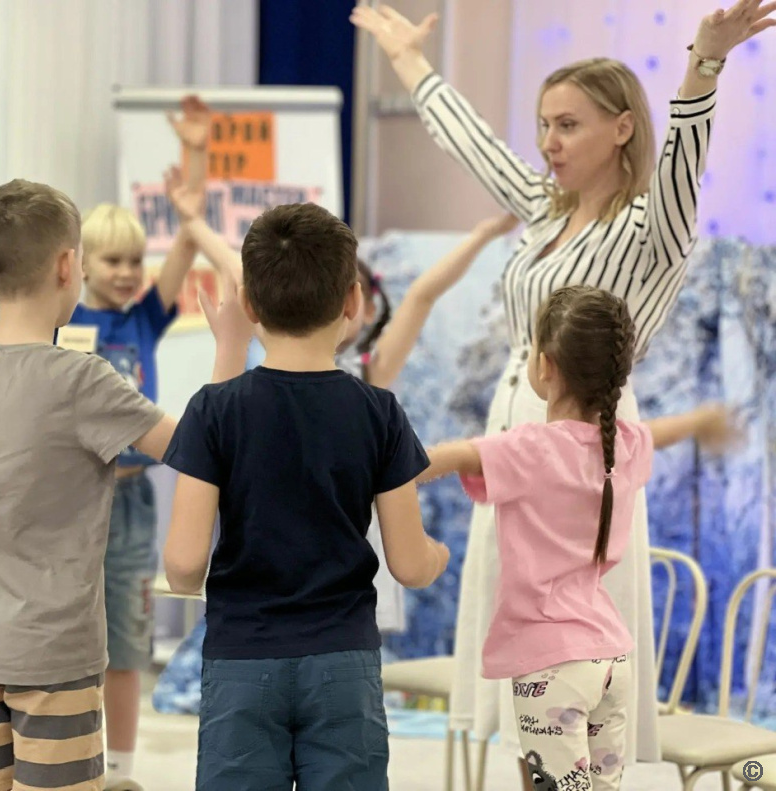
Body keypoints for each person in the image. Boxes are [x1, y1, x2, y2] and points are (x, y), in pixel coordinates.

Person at [352, 0, 775, 772]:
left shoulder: (650, 228)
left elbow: (683, 161)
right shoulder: (545, 211)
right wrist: (407, 60)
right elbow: (473, 146)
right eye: (544, 124)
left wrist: (704, 63)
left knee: (568, 638)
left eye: (568, 125)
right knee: (526, 652)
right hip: (517, 424)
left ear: (621, 128)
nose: (549, 141)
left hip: (583, 436)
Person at [0, 179, 249, 791]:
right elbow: (203, 448)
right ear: (68, 267)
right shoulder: (82, 379)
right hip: (51, 654)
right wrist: (231, 349)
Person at [162, 203, 450, 790]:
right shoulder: (379, 412)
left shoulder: (214, 410)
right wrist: (438, 555)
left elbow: (184, 565)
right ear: (352, 301)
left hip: (242, 660)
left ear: (249, 305)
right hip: (343, 662)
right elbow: (411, 565)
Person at [419, 285, 734, 790]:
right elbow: (661, 432)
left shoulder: (528, 447)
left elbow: (446, 458)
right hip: (611, 658)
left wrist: (376, 468)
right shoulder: (624, 445)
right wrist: (702, 420)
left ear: (545, 366)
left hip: (551, 666)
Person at [167, 179, 516, 633]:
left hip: (338, 566)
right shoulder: (361, 398)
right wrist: (193, 223)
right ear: (351, 300)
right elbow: (246, 271)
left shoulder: (371, 375)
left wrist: (484, 235)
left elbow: (423, 293)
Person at [63, 97, 218, 791]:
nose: (128, 271)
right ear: (79, 264)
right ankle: (74, 761)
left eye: (134, 259)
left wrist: (195, 154)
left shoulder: (145, 318)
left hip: (130, 503)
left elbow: (184, 242)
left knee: (127, 646)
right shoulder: (65, 317)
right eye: (113, 260)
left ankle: (120, 771)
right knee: (74, 644)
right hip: (75, 501)